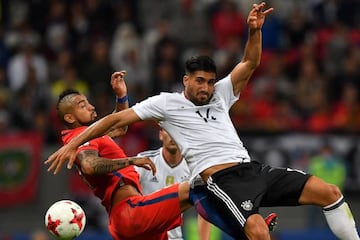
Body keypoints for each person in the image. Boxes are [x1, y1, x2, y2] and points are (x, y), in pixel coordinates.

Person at [46, 2, 359, 239]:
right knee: (256, 231)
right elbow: (119, 120)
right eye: (200, 81)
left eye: (210, 81)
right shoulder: (165, 104)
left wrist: (254, 30)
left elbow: (249, 62)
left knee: (329, 192)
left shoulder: (222, 93)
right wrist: (76, 141)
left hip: (252, 169)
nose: (206, 88)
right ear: (186, 80)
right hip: (220, 180)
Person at [52, 71, 192, 240]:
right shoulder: (79, 137)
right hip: (130, 211)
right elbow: (90, 165)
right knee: (194, 188)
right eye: (83, 105)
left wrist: (121, 96)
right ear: (69, 117)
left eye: (88, 102)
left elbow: (119, 127)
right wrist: (131, 161)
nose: (91, 107)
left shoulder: (89, 135)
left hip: (123, 220)